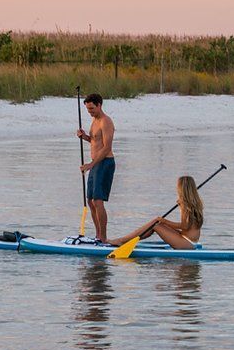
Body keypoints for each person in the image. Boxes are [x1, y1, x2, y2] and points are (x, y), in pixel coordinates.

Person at [111, 175, 204, 250]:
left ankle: (123, 240)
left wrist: (164, 221)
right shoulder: (195, 202)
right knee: (156, 223)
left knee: (155, 225)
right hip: (189, 240)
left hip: (186, 243)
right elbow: (188, 226)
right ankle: (125, 240)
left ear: (181, 189)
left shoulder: (186, 204)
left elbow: (185, 226)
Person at [76, 92, 115, 242]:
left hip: (105, 163)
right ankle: (98, 235)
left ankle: (103, 238)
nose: (90, 112)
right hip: (95, 164)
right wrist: (84, 136)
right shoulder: (94, 121)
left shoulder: (106, 122)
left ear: (99, 105)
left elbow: (106, 148)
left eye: (92, 108)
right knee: (90, 201)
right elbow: (95, 141)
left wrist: (90, 165)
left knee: (98, 201)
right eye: (87, 109)